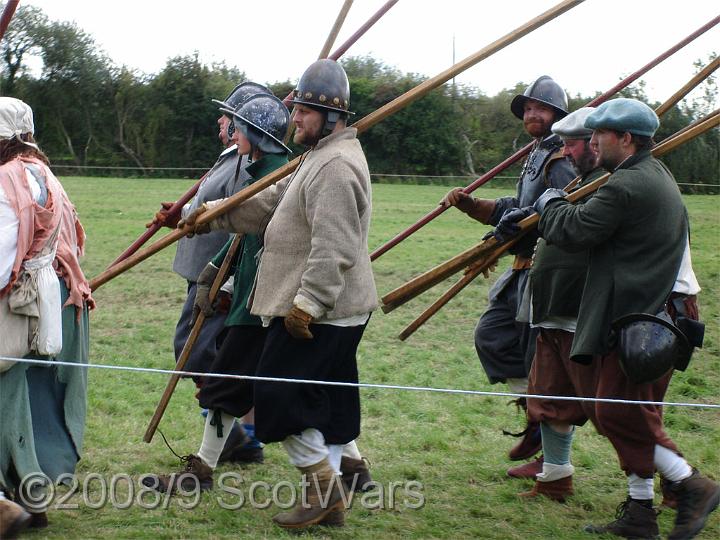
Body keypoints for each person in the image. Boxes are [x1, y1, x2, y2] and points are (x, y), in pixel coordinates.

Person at [181, 59, 377, 529]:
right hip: (320, 308)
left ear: (331, 116)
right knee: (307, 401)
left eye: (307, 112)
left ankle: (326, 492)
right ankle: (327, 490)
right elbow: (271, 204)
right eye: (298, 110)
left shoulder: (337, 166)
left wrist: (308, 302)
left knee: (277, 398)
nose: (297, 119)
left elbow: (336, 245)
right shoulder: (316, 157)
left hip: (321, 310)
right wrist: (214, 213)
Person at [534, 98, 719, 539]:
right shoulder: (650, 173)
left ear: (625, 138)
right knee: (629, 411)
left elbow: (572, 230)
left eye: (600, 135)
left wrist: (549, 201)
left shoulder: (626, 185)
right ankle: (640, 513)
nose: (592, 142)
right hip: (647, 310)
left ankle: (691, 483)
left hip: (652, 314)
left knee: (618, 414)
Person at [145, 93, 291, 493]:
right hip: (250, 289)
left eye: (239, 125)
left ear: (254, 135)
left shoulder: (274, 173)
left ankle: (337, 469)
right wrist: (214, 271)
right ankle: (204, 469)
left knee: (297, 391)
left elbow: (242, 215)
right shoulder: (260, 163)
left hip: (265, 294)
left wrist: (199, 216)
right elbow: (245, 235)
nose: (231, 129)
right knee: (230, 385)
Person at [442, 76, 576, 463]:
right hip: (521, 271)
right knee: (493, 337)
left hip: (544, 272)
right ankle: (535, 413)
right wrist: (473, 205)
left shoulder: (561, 158)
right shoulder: (536, 153)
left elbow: (559, 211)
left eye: (541, 108)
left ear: (557, 115)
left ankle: (554, 464)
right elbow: (517, 206)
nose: (532, 114)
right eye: (528, 108)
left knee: (541, 362)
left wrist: (521, 217)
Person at [0, 97, 93, 532]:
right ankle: (30, 496)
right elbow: (75, 239)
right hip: (49, 302)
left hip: (15, 306)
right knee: (27, 400)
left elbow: (2, 261)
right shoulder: (45, 174)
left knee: (9, 402)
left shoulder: (7, 179)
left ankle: (11, 502)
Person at [494, 107, 602, 486]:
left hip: (581, 304)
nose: (567, 152)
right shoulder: (563, 168)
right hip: (553, 300)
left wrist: (544, 208)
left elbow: (572, 228)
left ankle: (678, 481)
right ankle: (556, 474)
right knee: (552, 388)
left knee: (611, 409)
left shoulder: (607, 182)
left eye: (573, 144)